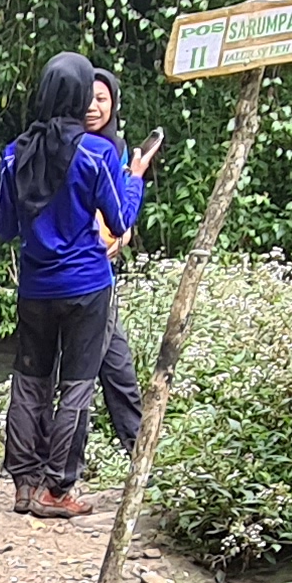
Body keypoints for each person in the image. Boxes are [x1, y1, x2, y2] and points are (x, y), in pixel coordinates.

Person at [0, 51, 144, 517]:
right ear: (79, 97)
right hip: (86, 287)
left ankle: (24, 484)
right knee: (76, 385)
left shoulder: (15, 153)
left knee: (30, 382)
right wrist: (134, 178)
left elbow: (4, 227)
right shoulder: (98, 154)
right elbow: (119, 220)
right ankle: (58, 490)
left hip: (35, 286)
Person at [85, 67, 166, 465]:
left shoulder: (113, 148)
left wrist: (121, 234)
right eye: (85, 97)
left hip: (101, 277)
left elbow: (120, 214)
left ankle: (140, 464)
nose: (92, 106)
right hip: (77, 278)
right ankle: (57, 476)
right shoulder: (70, 146)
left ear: (113, 103)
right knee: (89, 376)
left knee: (117, 370)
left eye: (101, 99)